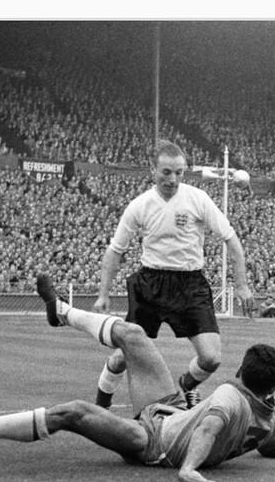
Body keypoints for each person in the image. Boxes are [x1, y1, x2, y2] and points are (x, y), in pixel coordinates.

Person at [0, 275, 275, 482]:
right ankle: (61, 311)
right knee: (133, 335)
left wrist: (188, 469)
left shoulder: (230, 398)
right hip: (170, 409)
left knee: (72, 413)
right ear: (272, 390)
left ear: (242, 375)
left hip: (153, 442)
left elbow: (212, 426)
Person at [89, 140, 255, 410]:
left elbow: (232, 241)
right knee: (122, 357)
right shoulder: (140, 205)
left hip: (190, 285)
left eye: (179, 172)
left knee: (211, 358)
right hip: (150, 285)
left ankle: (187, 384)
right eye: (166, 172)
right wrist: (103, 294)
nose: (173, 179)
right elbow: (114, 251)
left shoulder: (197, 199)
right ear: (152, 169)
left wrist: (242, 286)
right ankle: (100, 405)